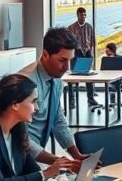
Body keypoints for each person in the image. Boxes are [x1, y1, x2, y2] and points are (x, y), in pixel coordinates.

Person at [0, 74, 77, 181]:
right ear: (15, 104)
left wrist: (60, 170)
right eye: (33, 101)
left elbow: (32, 169)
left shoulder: (18, 127)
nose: (37, 108)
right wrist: (47, 173)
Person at [18, 27, 90, 164]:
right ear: (45, 55)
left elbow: (57, 119)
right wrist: (60, 162)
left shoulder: (56, 80)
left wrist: (76, 155)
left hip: (35, 155)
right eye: (62, 60)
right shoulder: (24, 83)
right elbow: (19, 136)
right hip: (19, 157)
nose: (67, 67)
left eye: (70, 60)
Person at [66, 7, 98, 107]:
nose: (83, 17)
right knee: (73, 78)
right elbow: (68, 43)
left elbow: (92, 40)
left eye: (84, 15)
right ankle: (72, 100)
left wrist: (91, 52)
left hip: (87, 53)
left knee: (89, 77)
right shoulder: (71, 28)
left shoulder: (89, 27)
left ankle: (91, 98)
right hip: (76, 53)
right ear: (77, 15)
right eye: (81, 15)